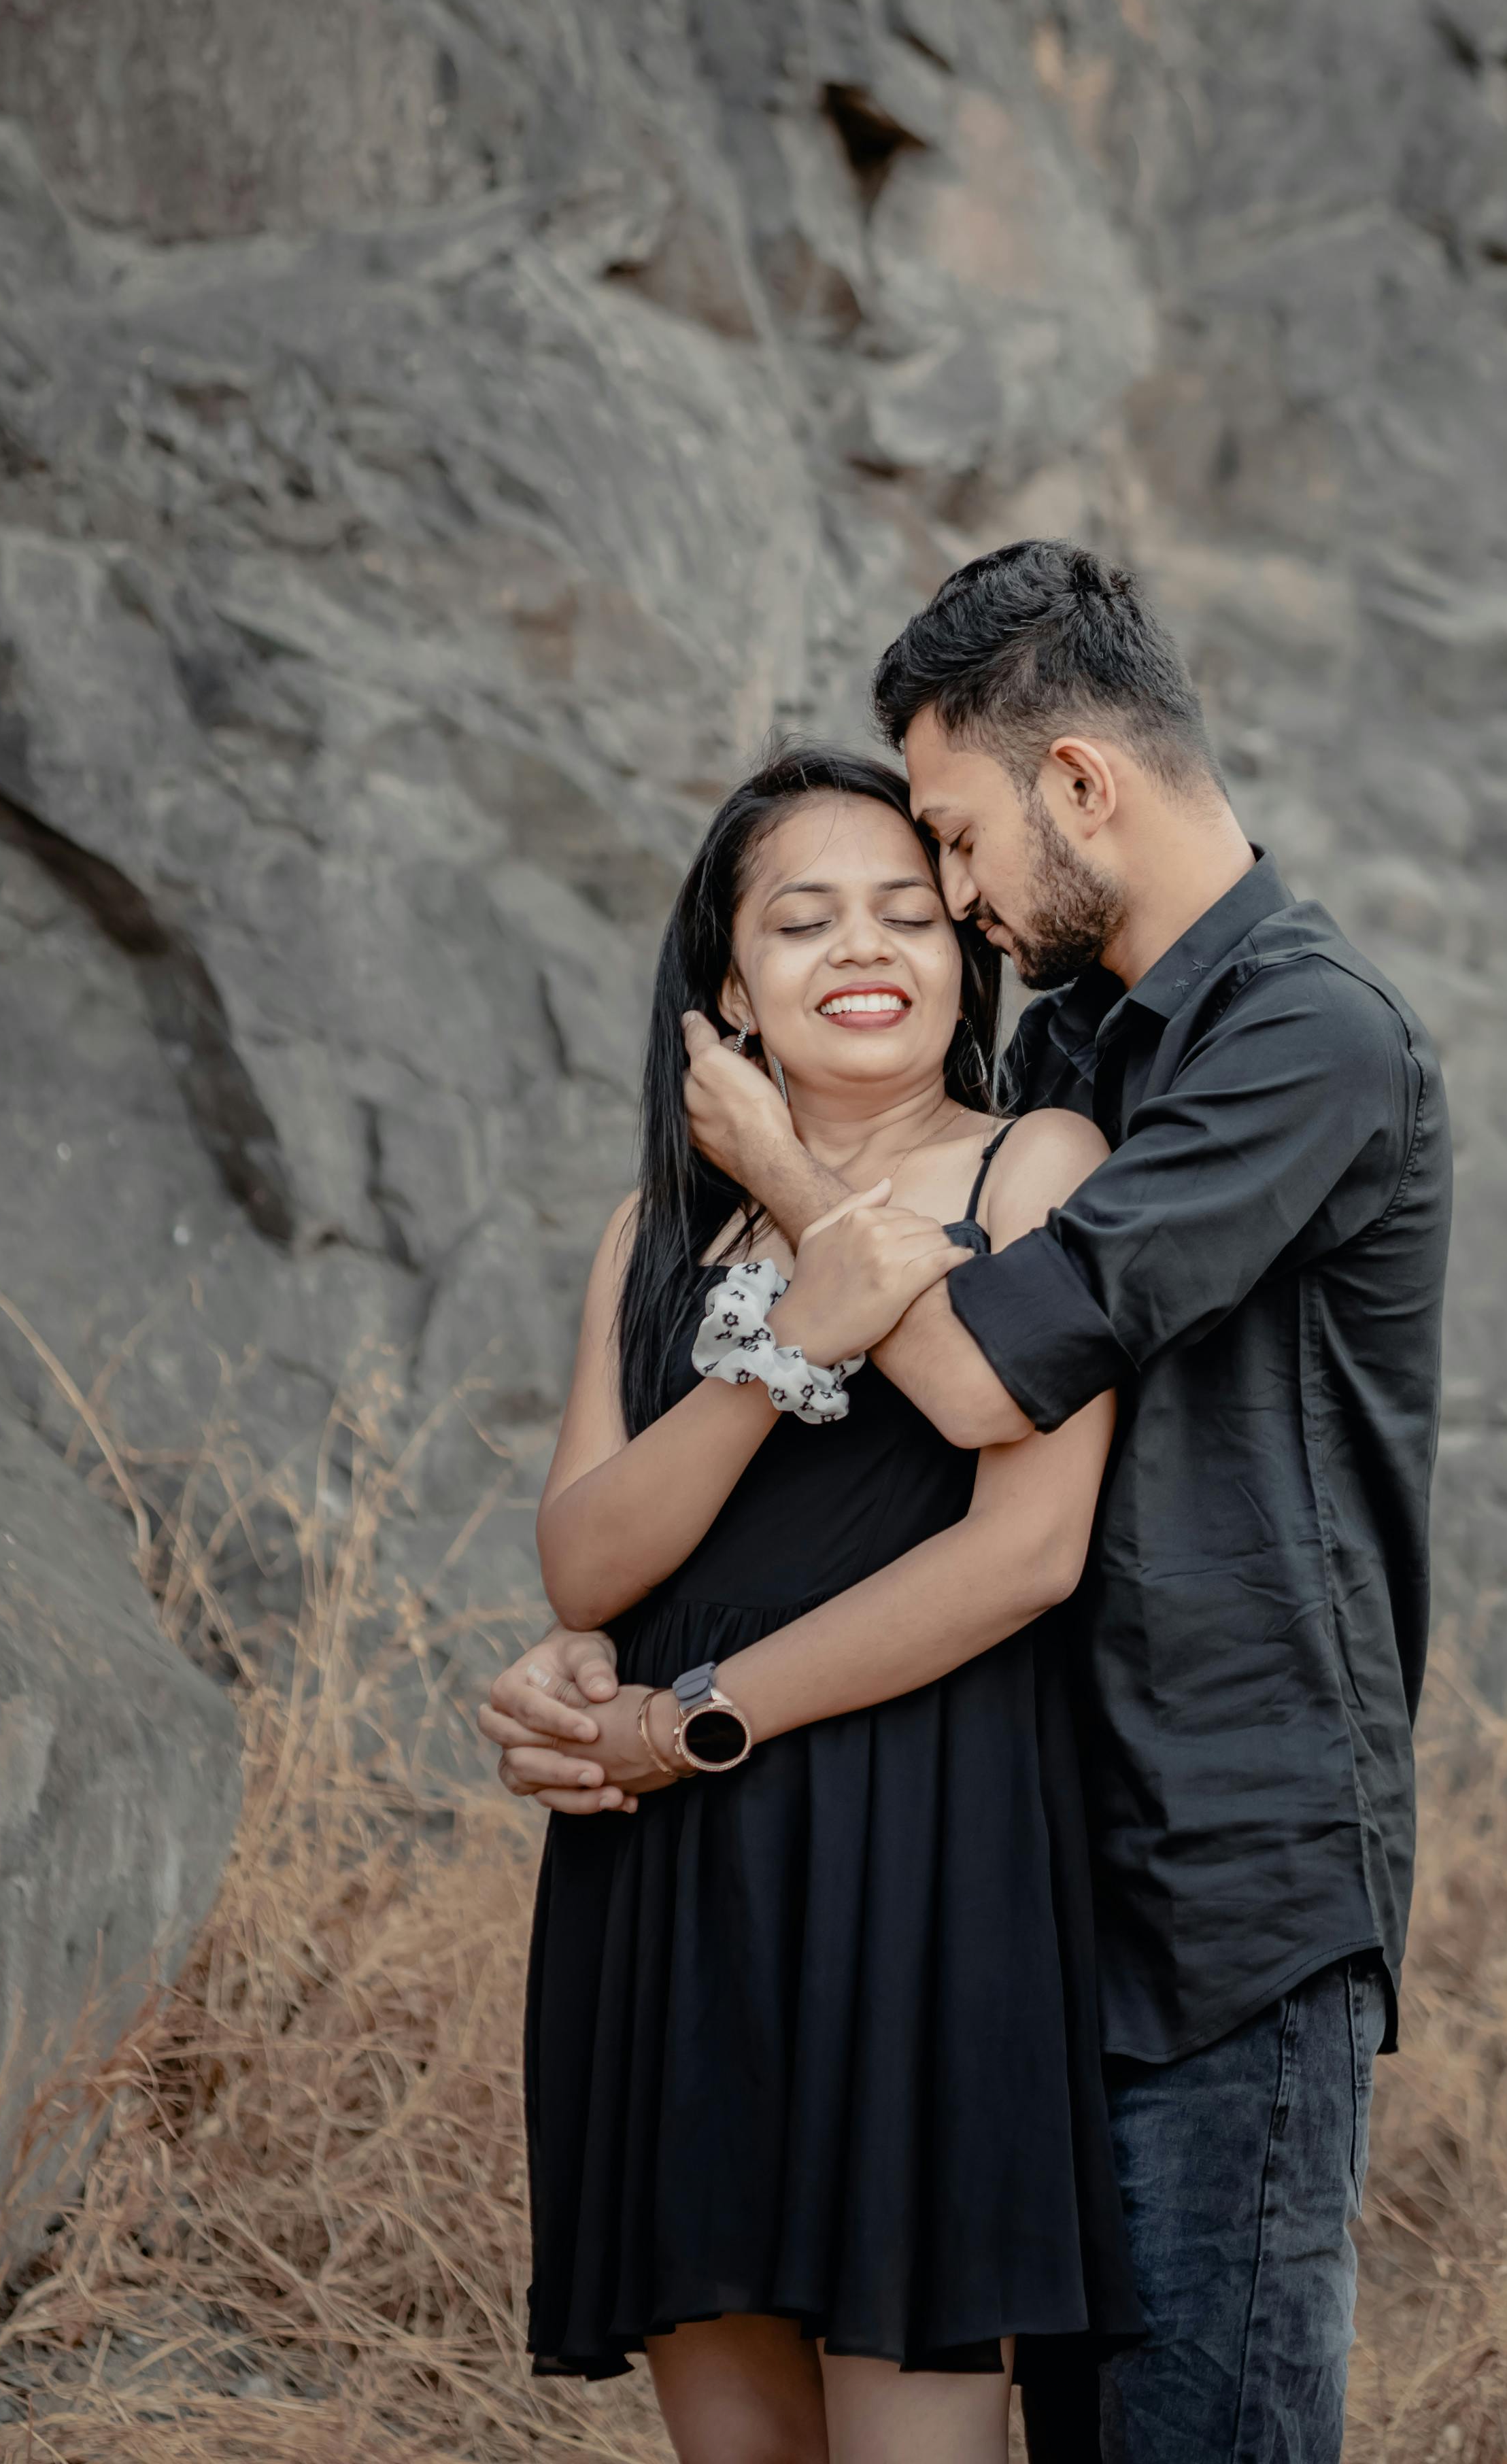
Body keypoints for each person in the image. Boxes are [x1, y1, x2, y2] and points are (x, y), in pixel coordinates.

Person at [490, 543, 1453, 2464]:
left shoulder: (1304, 1037)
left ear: (1077, 785)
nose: (949, 907)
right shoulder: (1096, 1027)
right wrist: (592, 1635)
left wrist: (785, 1175)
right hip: (1026, 1865)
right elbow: (694, 1502)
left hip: (1225, 1884)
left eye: (949, 841)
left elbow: (978, 1382)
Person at [518, 745, 1144, 2463]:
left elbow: (1027, 1546)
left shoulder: (1037, 1167)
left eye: (903, 911)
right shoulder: (658, 1230)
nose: (863, 948)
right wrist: (785, 1344)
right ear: (729, 985)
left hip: (927, 1862)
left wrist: (691, 1715)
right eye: (802, 921)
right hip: (670, 1884)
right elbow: (585, 1562)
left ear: (966, 955)